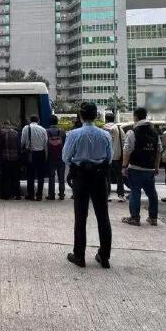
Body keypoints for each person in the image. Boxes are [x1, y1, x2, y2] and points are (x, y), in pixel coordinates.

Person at [64, 102, 113, 269]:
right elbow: (109, 158)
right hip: (99, 177)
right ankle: (104, 256)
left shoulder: (74, 134)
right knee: (103, 216)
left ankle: (79, 256)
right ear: (96, 116)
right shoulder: (105, 135)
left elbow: (65, 157)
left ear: (81, 116)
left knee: (80, 216)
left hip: (81, 176)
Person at [121, 107, 162, 226]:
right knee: (152, 193)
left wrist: (124, 166)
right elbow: (158, 150)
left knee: (135, 192)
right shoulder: (154, 133)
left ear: (135, 116)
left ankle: (134, 218)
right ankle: (153, 218)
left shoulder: (132, 132)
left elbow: (127, 150)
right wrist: (156, 167)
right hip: (150, 169)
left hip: (136, 168)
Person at [21, 115, 48, 201]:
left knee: (30, 175)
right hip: (41, 154)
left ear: (30, 120)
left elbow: (22, 141)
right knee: (40, 176)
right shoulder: (43, 129)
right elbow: (45, 143)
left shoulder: (26, 128)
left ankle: (31, 195)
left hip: (30, 154)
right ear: (38, 120)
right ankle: (39, 195)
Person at [102, 113, 125, 202]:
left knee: (107, 176)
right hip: (117, 156)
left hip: (106, 157)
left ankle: (107, 195)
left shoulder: (103, 129)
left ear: (106, 119)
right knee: (119, 176)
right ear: (114, 119)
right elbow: (124, 141)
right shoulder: (118, 128)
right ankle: (121, 195)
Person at [45, 116, 67, 201]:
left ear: (50, 122)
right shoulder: (62, 131)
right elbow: (65, 144)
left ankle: (51, 195)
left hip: (51, 157)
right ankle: (61, 194)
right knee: (61, 177)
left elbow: (45, 144)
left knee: (51, 177)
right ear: (57, 122)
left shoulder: (46, 131)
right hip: (61, 157)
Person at [0, 121, 22, 200]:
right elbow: (19, 145)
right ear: (10, 125)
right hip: (15, 158)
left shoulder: (1, 133)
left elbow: (0, 146)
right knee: (15, 177)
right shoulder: (15, 133)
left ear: (3, 125)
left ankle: (6, 195)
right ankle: (17, 194)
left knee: (5, 177)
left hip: (5, 158)